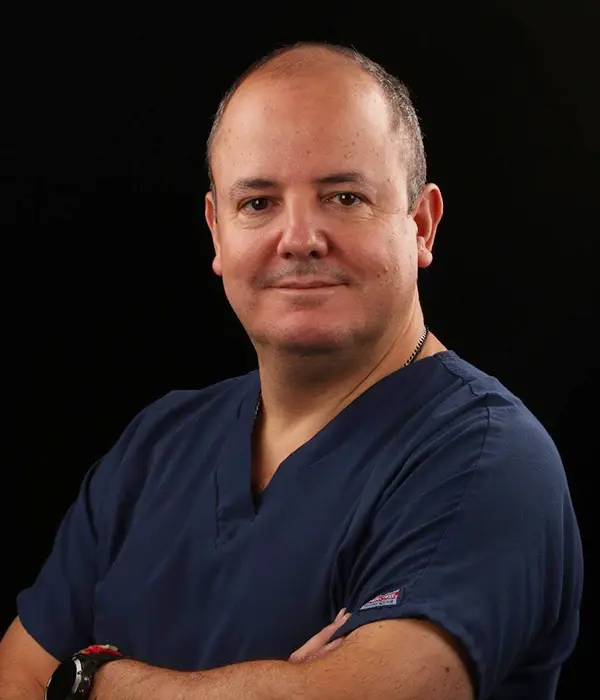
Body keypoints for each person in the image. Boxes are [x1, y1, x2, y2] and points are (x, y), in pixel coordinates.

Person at [0, 41, 582, 700]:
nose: (300, 238)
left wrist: (89, 682)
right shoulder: (157, 445)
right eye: (258, 203)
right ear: (217, 232)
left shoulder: (486, 460)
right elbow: (16, 675)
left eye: (344, 197)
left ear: (422, 224)